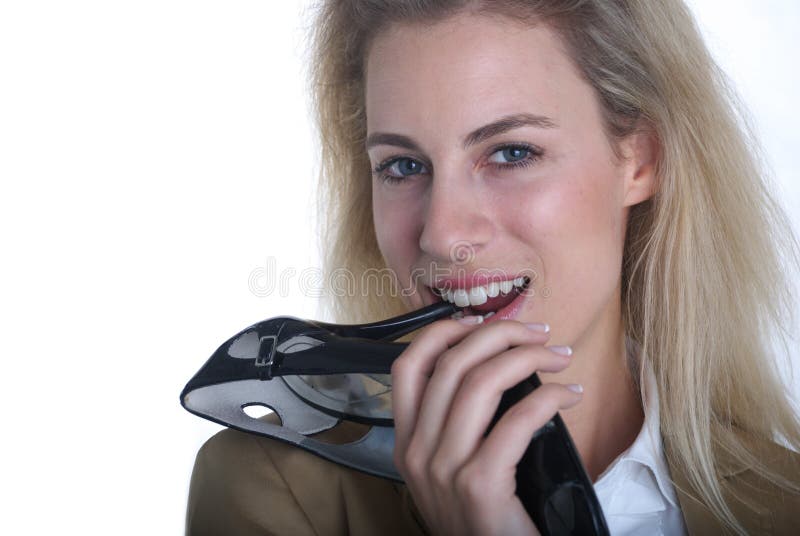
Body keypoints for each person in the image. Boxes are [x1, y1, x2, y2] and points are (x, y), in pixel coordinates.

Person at [185, 1, 800, 534]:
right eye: (402, 166)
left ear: (640, 160)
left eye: (511, 153)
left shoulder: (787, 503)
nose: (442, 233)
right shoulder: (274, 489)